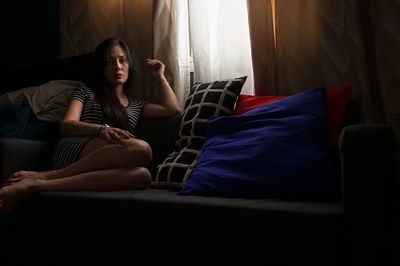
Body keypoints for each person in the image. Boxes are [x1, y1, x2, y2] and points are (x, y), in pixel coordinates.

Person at [0, 38, 181, 213]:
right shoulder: (86, 92)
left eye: (122, 60)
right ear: (101, 67)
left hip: (110, 158)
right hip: (76, 147)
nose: (118, 66)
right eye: (110, 62)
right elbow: (67, 125)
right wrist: (102, 130)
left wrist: (159, 77)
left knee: (143, 176)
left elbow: (172, 109)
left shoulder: (137, 105)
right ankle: (47, 174)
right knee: (142, 149)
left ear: (129, 65)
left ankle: (38, 183)